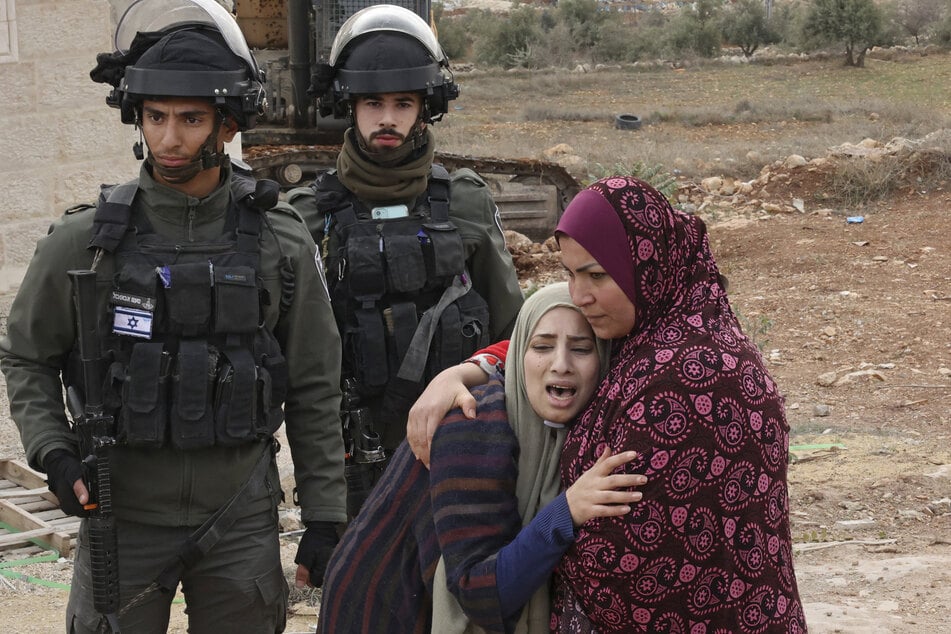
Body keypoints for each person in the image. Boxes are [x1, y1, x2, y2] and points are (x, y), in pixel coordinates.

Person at [0, 1, 346, 631]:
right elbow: (26, 354)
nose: (169, 138)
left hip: (240, 516)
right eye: (155, 117)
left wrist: (325, 513)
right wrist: (54, 452)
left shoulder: (280, 240)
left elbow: (316, 383)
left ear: (228, 125)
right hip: (122, 516)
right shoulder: (85, 240)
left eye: (191, 119)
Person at [407, 176, 809, 632]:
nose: (581, 295)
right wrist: (469, 368)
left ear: (646, 265)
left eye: (597, 274)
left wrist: (560, 526)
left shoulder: (685, 376)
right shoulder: (649, 334)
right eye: (570, 274)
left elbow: (629, 558)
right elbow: (550, 341)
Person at [286, 4, 525, 518]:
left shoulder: (465, 201)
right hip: (357, 459)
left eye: (403, 102)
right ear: (349, 105)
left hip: (460, 444)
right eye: (373, 102)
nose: (388, 118)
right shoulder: (307, 215)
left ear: (425, 107)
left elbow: (514, 332)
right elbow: (297, 362)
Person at [317, 282, 646, 633]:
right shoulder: (474, 425)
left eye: (582, 349)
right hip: (381, 612)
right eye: (542, 347)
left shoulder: (557, 428)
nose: (561, 365)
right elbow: (477, 593)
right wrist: (566, 512)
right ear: (520, 355)